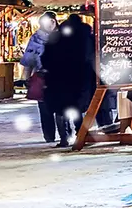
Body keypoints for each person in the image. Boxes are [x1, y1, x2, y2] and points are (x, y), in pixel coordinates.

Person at [39, 13, 95, 148]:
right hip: (79, 78)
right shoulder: (86, 38)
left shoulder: (57, 39)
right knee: (76, 108)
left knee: (60, 109)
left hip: (57, 79)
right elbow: (91, 58)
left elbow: (45, 59)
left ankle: (63, 138)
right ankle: (80, 135)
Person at [19, 14, 58, 142]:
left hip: (60, 77)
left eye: (52, 21)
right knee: (45, 108)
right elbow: (29, 61)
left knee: (61, 106)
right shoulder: (36, 38)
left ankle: (65, 134)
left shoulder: (62, 36)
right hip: (42, 77)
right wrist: (25, 78)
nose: (50, 24)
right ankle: (49, 135)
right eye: (47, 21)